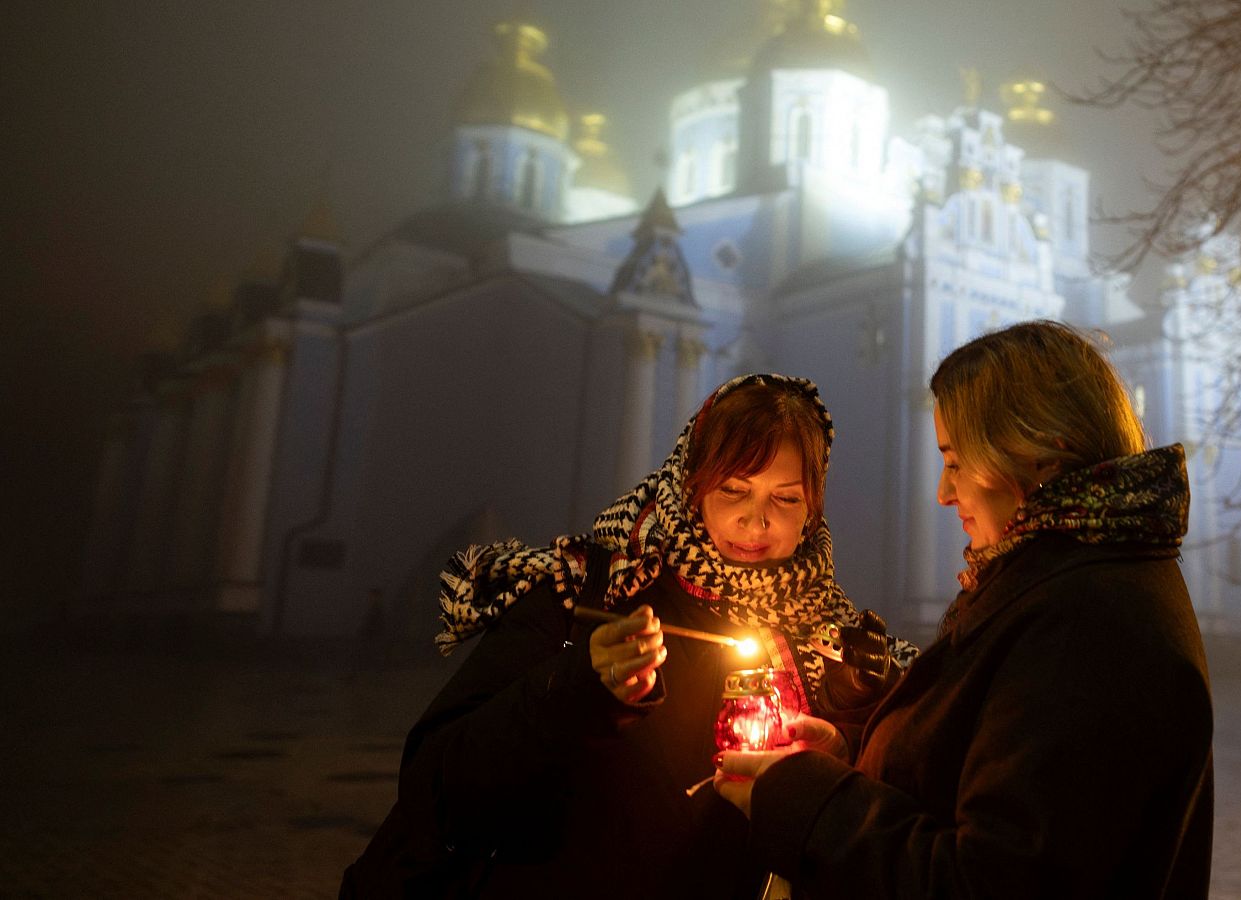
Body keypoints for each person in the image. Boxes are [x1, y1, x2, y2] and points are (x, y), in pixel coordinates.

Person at [341, 373, 912, 899]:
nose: (756, 521)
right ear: (691, 487)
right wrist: (577, 689)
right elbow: (438, 784)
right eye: (733, 490)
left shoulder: (834, 638)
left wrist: (841, 750)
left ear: (812, 508)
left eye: (784, 498)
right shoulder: (592, 592)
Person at [716, 321, 1215, 898]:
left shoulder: (1089, 624)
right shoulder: (1064, 580)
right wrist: (855, 760)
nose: (942, 493)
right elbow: (991, 779)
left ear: (1037, 453)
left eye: (954, 461)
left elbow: (992, 882)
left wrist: (811, 803)